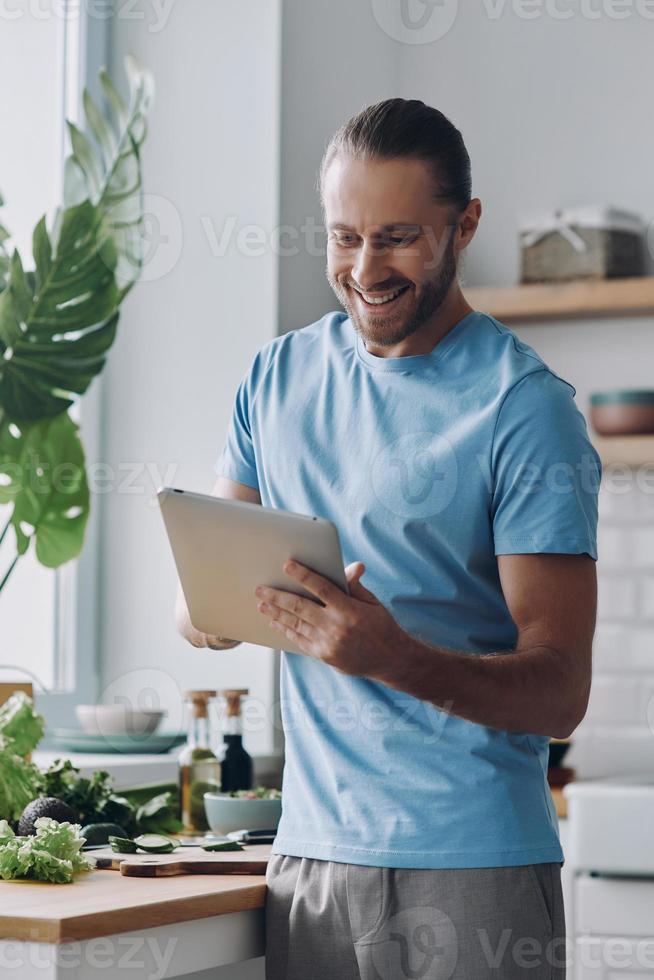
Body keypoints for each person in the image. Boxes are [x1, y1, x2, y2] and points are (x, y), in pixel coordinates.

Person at [177, 99, 600, 979]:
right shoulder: (275, 377)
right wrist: (211, 611)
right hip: (311, 859)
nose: (365, 269)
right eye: (343, 238)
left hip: (474, 868)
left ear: (465, 225)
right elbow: (207, 597)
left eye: (398, 237)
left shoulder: (524, 409)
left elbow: (560, 691)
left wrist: (392, 656)